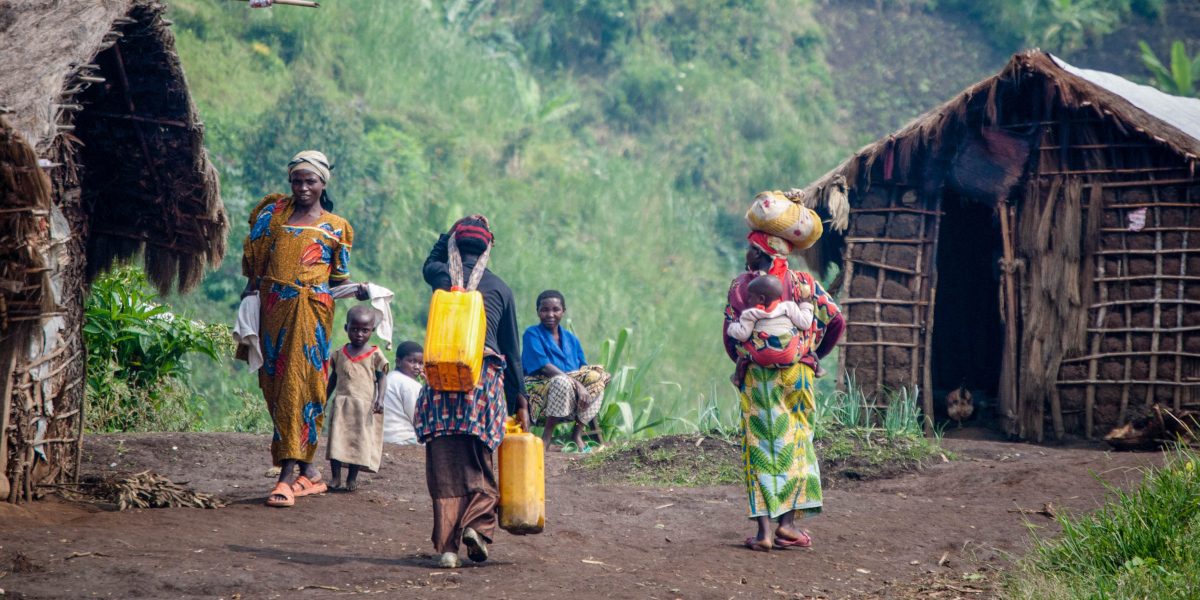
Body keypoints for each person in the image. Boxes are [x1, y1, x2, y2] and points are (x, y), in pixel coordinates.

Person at [241, 150, 369, 508]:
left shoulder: (337, 227)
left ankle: (286, 476)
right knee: (276, 385)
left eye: (310, 180)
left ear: (323, 183)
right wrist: (249, 301)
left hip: (311, 314)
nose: (302, 187)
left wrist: (358, 290)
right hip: (272, 312)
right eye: (296, 180)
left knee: (299, 386)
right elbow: (255, 269)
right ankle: (310, 473)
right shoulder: (275, 219)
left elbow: (337, 281)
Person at [413, 215, 529, 569]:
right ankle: (477, 525)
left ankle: (447, 549)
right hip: (482, 383)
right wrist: (520, 401)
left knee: (444, 466)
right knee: (479, 460)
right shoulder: (500, 288)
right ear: (487, 249)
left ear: (454, 245)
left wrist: (446, 232)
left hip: (440, 385)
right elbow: (511, 350)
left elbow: (430, 262)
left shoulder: (442, 277)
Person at [723, 230, 844, 552]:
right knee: (797, 444)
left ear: (761, 254)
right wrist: (812, 354)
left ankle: (763, 533)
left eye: (751, 249)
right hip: (798, 376)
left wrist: (744, 359)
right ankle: (788, 527)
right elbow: (836, 320)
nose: (746, 254)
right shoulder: (802, 283)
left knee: (760, 446)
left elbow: (729, 335)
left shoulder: (742, 288)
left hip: (757, 380)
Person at [522, 290, 610, 451]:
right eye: (544, 310)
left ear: (563, 311)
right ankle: (547, 436)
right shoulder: (532, 334)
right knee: (560, 381)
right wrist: (577, 384)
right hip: (541, 390)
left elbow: (582, 369)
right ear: (538, 312)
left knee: (599, 377)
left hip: (570, 395)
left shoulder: (571, 339)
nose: (550, 314)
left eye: (555, 309)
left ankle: (576, 433)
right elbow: (543, 366)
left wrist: (592, 379)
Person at [325, 305, 389, 492]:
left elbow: (382, 377)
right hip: (342, 403)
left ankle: (351, 478)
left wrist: (380, 399)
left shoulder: (375, 354)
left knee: (358, 442)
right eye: (354, 329)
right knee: (336, 440)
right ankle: (336, 477)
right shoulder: (339, 353)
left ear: (372, 331)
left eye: (364, 330)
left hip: (364, 406)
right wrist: (325, 398)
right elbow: (334, 378)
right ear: (346, 328)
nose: (359, 334)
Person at [726, 274, 814, 387]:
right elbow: (805, 323)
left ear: (761, 299)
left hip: (763, 358)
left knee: (741, 350)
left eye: (750, 297)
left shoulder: (751, 314)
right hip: (790, 356)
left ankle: (737, 377)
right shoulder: (789, 307)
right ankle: (816, 366)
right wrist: (806, 304)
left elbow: (743, 334)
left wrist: (732, 328)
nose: (748, 300)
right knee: (809, 347)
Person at [383, 341, 424, 446]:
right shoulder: (410, 385)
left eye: (420, 363)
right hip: (402, 438)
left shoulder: (389, 378)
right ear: (398, 362)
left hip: (382, 436)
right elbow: (418, 419)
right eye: (412, 361)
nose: (417, 367)